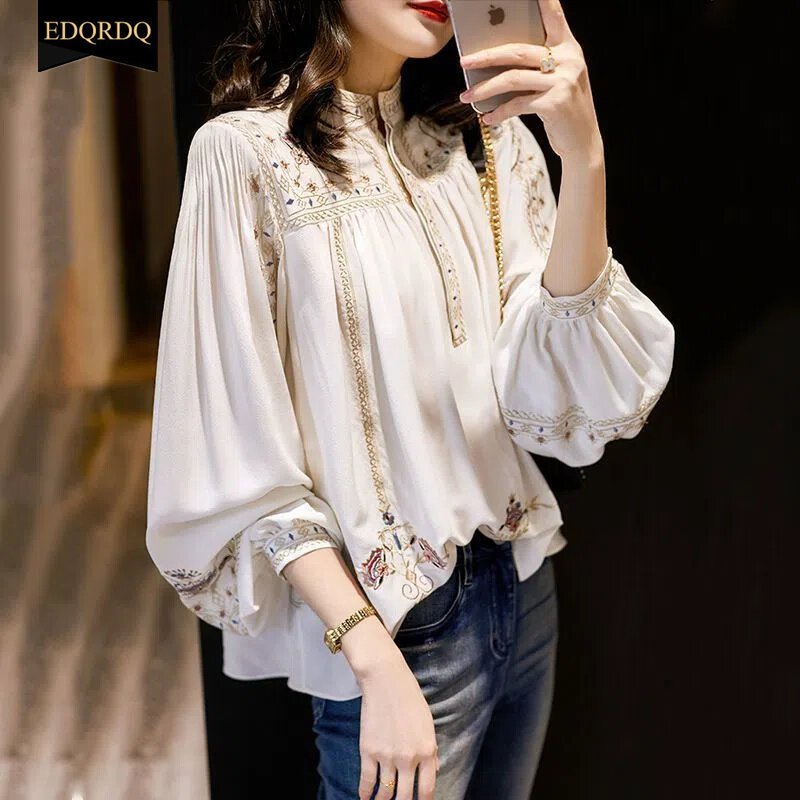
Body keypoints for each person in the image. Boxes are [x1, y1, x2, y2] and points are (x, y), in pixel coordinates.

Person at [145, 1, 675, 798]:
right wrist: (372, 661)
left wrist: (584, 154)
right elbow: (238, 447)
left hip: (523, 586)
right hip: (394, 634)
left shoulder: (489, 142)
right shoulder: (244, 155)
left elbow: (555, 377)